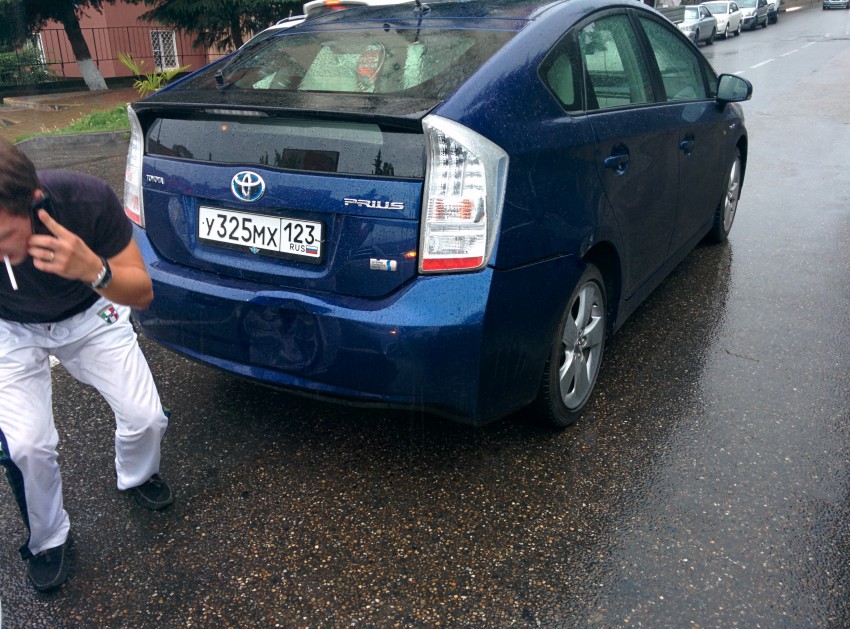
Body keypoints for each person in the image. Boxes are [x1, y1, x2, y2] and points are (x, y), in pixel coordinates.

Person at [0, 138, 172, 593]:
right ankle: (48, 538)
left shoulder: (86, 199)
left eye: (1, 238)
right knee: (27, 445)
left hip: (91, 312)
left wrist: (95, 269)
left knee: (146, 417)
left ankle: (137, 475)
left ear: (34, 202)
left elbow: (142, 292)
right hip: (11, 327)